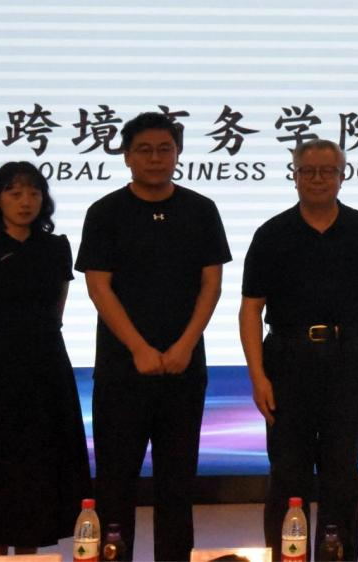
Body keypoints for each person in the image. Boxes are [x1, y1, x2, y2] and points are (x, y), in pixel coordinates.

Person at [76, 112, 232, 562]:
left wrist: (185, 345)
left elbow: (211, 284)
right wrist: (139, 348)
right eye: (144, 150)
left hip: (184, 367)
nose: (156, 158)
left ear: (178, 154)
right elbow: (98, 286)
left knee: (177, 485)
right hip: (122, 369)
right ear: (126, 157)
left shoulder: (200, 209)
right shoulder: (105, 212)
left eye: (165, 149)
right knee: (115, 484)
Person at [239, 139, 358, 562]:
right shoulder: (272, 233)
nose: (318, 179)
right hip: (286, 359)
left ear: (343, 176)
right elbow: (250, 309)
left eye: (328, 171)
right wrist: (257, 375)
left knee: (342, 473)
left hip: (347, 357)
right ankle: (286, 556)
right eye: (308, 171)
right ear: (295, 176)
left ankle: (338, 556)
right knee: (288, 473)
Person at [0, 161, 91, 555]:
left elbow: (56, 312)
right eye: (15, 193)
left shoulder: (57, 248)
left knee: (40, 467)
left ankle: (30, 554)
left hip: (48, 368)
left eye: (33, 193)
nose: (25, 201)